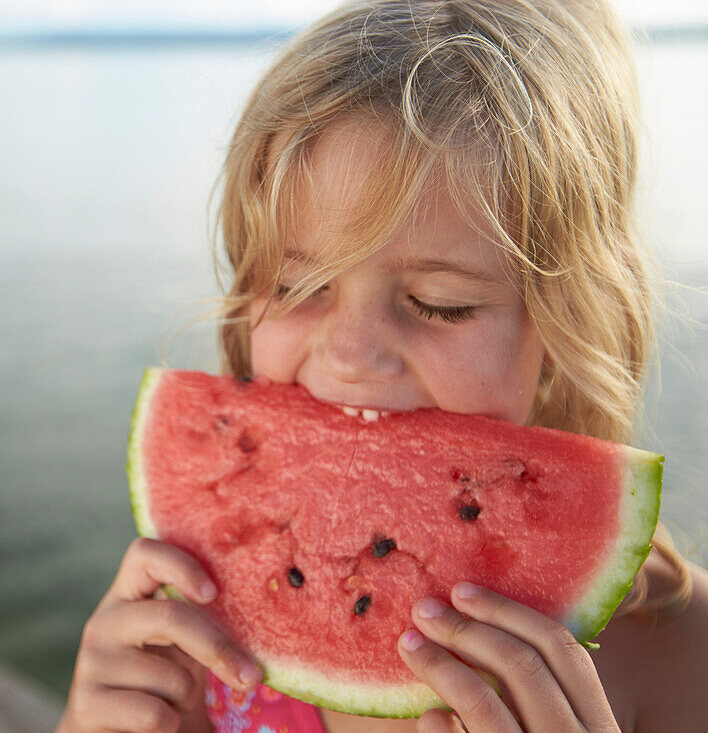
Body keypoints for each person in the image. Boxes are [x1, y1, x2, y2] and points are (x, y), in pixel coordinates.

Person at [58, 0, 708, 730]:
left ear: (564, 326)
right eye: (299, 285)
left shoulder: (678, 644)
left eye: (438, 303)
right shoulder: (204, 604)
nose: (351, 352)